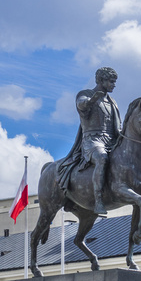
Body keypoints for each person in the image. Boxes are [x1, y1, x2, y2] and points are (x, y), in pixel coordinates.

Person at [56, 67, 122, 215]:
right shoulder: (85, 94)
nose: (114, 85)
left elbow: (117, 128)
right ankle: (98, 200)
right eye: (111, 81)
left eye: (114, 82)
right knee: (102, 158)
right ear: (101, 80)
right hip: (92, 140)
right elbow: (82, 104)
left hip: (111, 141)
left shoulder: (113, 102)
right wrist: (92, 100)